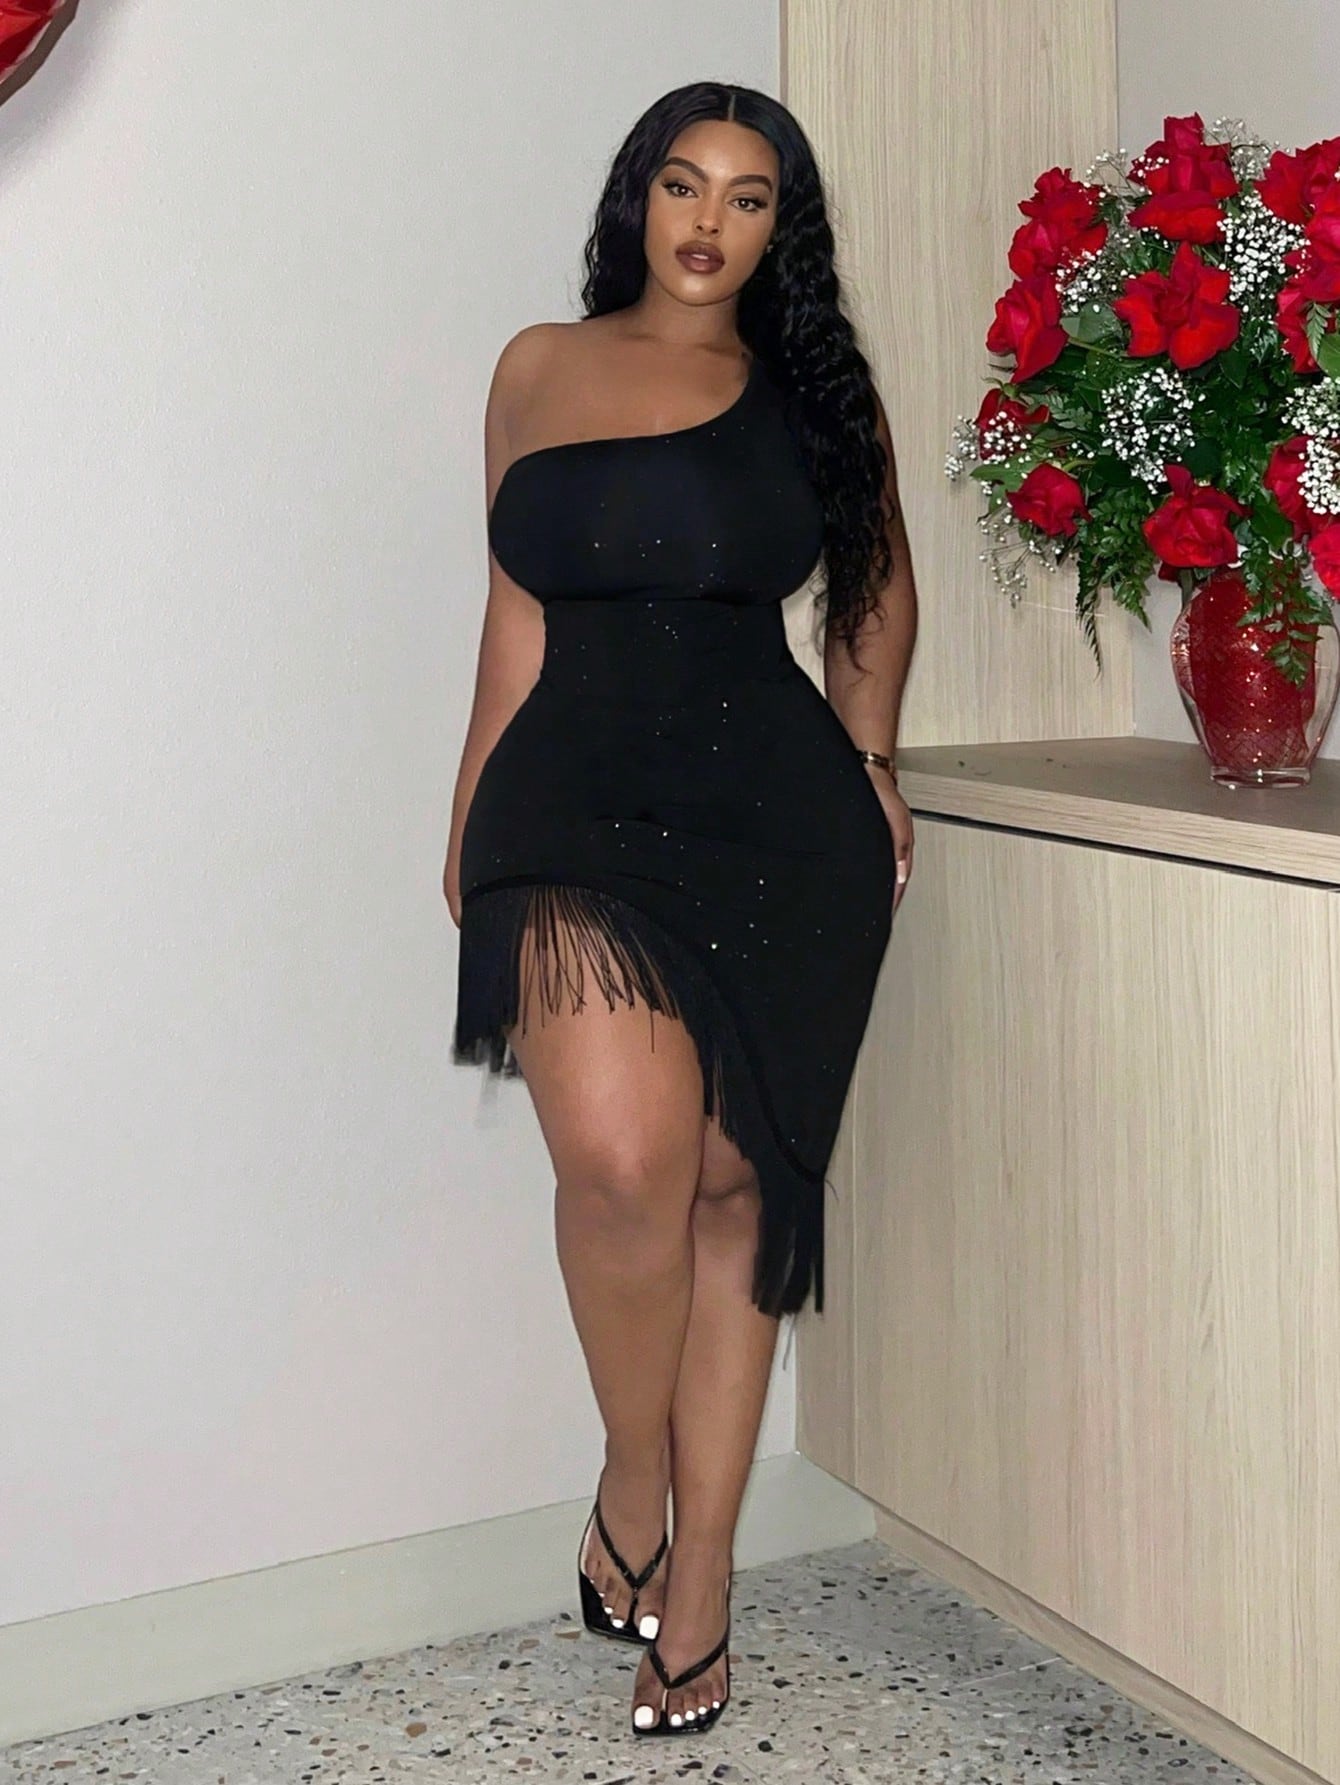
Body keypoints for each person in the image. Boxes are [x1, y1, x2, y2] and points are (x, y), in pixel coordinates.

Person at [444, 79, 917, 1741]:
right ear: (636, 198)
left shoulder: (810, 394)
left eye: (749, 195)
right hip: (569, 797)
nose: (709, 220)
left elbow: (875, 588)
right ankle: (631, 1462)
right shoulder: (535, 368)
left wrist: (871, 755)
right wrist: (468, 812)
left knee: (735, 1186)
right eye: (683, 183)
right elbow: (514, 610)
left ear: (782, 229)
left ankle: (700, 1571)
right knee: (626, 1163)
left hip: (778, 818)